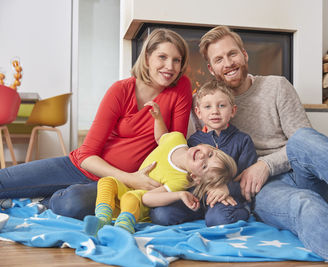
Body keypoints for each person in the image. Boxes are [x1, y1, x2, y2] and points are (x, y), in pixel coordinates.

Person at [189, 25, 328, 267]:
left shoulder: (277, 86)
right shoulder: (211, 106)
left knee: (302, 138)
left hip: (301, 171)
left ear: (245, 55)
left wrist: (265, 164)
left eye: (232, 54)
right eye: (219, 59)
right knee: (306, 204)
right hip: (264, 190)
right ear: (211, 68)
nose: (228, 63)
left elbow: (305, 144)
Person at [0, 28, 193, 220]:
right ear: (148, 57)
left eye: (177, 60)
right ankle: (42, 197)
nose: (170, 66)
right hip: (79, 167)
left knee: (72, 204)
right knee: (3, 181)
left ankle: (42, 201)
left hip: (112, 186)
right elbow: (86, 155)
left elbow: (175, 146)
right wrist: (130, 177)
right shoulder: (120, 90)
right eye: (162, 57)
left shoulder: (181, 87)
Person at [83, 98, 237, 235]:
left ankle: (124, 226)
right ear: (211, 147)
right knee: (107, 181)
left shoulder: (181, 180)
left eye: (204, 167)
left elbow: (148, 198)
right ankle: (102, 218)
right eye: (210, 155)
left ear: (195, 177)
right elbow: (160, 137)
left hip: (138, 204)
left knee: (132, 196)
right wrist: (157, 118)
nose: (203, 157)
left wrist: (179, 195)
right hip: (126, 187)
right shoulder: (177, 138)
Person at [150, 79, 257, 227]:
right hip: (196, 197)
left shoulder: (242, 140)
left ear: (232, 110)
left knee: (218, 219)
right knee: (160, 215)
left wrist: (228, 189)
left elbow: (248, 178)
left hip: (224, 196)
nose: (215, 111)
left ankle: (242, 211)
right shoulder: (194, 141)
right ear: (198, 113)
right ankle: (200, 213)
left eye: (221, 105)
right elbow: (186, 173)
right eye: (207, 107)